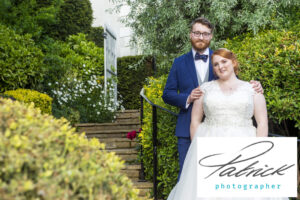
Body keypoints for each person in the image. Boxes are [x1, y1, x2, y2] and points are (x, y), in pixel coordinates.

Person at [166, 48, 288, 200]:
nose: (220, 66)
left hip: (244, 146)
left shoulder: (253, 89)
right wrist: (197, 148)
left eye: (224, 61)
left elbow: (262, 124)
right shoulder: (205, 89)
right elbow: (195, 121)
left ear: (234, 62)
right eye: (216, 64)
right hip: (210, 144)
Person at [162, 17, 263, 179]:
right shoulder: (179, 62)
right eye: (197, 33)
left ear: (211, 36)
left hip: (225, 133)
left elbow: (237, 88)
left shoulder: (221, 59)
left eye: (205, 34)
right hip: (187, 129)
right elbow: (167, 94)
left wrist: (257, 86)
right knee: (191, 179)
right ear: (190, 35)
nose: (201, 37)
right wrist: (187, 98)